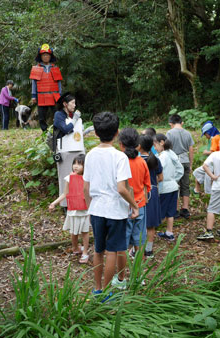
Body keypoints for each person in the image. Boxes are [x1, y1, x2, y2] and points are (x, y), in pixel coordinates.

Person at [83, 111, 139, 295]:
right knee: (112, 252)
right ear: (117, 133)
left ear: (96, 133)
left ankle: (97, 289)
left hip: (97, 209)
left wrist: (90, 206)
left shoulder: (90, 155)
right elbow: (122, 188)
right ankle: (107, 292)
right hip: (115, 211)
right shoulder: (119, 157)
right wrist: (134, 205)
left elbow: (86, 187)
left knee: (98, 250)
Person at [49, 154, 90, 264]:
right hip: (73, 209)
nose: (76, 166)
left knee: (85, 232)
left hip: (85, 210)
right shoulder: (69, 178)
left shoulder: (88, 178)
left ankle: (85, 252)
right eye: (74, 163)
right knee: (73, 231)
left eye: (79, 164)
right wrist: (54, 203)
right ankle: (75, 248)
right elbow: (65, 193)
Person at [119, 128, 151, 261]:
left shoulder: (120, 162)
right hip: (140, 205)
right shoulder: (142, 162)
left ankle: (121, 277)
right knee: (139, 243)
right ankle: (139, 276)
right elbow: (147, 186)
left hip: (122, 206)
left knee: (122, 245)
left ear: (121, 144)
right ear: (138, 145)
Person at [53, 93, 85, 208]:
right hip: (65, 151)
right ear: (65, 104)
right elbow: (66, 129)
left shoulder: (72, 116)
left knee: (78, 178)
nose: (74, 105)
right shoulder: (59, 115)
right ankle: (65, 204)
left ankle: (78, 201)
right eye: (72, 103)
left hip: (77, 149)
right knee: (65, 177)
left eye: (75, 103)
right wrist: (75, 119)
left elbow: (75, 134)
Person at [154, 133, 184, 242]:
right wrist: (174, 179)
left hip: (164, 188)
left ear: (161, 143)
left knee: (160, 211)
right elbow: (180, 169)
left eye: (155, 145)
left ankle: (150, 233)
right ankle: (169, 232)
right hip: (173, 186)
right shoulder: (172, 153)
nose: (154, 148)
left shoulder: (162, 157)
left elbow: (158, 172)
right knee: (170, 212)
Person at [166, 114, 194, 219]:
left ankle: (176, 209)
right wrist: (190, 164)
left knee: (175, 185)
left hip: (175, 162)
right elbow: (191, 149)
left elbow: (167, 148)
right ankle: (185, 209)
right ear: (181, 122)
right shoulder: (188, 133)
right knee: (185, 185)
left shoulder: (170, 133)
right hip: (185, 160)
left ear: (171, 123)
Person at [139, 134, 163, 258]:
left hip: (139, 193)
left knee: (139, 222)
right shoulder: (155, 159)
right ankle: (149, 250)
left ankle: (137, 250)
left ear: (138, 146)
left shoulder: (137, 160)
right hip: (152, 192)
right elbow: (161, 177)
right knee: (151, 224)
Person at [29, 44, 63, 131]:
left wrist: (60, 95)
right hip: (41, 96)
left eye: (47, 55)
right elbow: (34, 83)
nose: (45, 56)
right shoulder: (36, 68)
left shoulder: (55, 68)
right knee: (41, 117)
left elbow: (59, 83)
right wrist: (33, 96)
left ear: (50, 56)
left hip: (54, 96)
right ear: (40, 56)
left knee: (57, 115)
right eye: (43, 55)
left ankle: (57, 132)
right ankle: (45, 132)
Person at [193, 121, 220, 194]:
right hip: (213, 161)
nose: (206, 137)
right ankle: (199, 189)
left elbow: (214, 152)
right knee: (197, 172)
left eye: (205, 134)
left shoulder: (215, 138)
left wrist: (206, 152)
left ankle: (208, 193)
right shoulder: (215, 137)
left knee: (208, 177)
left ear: (209, 132)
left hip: (213, 162)